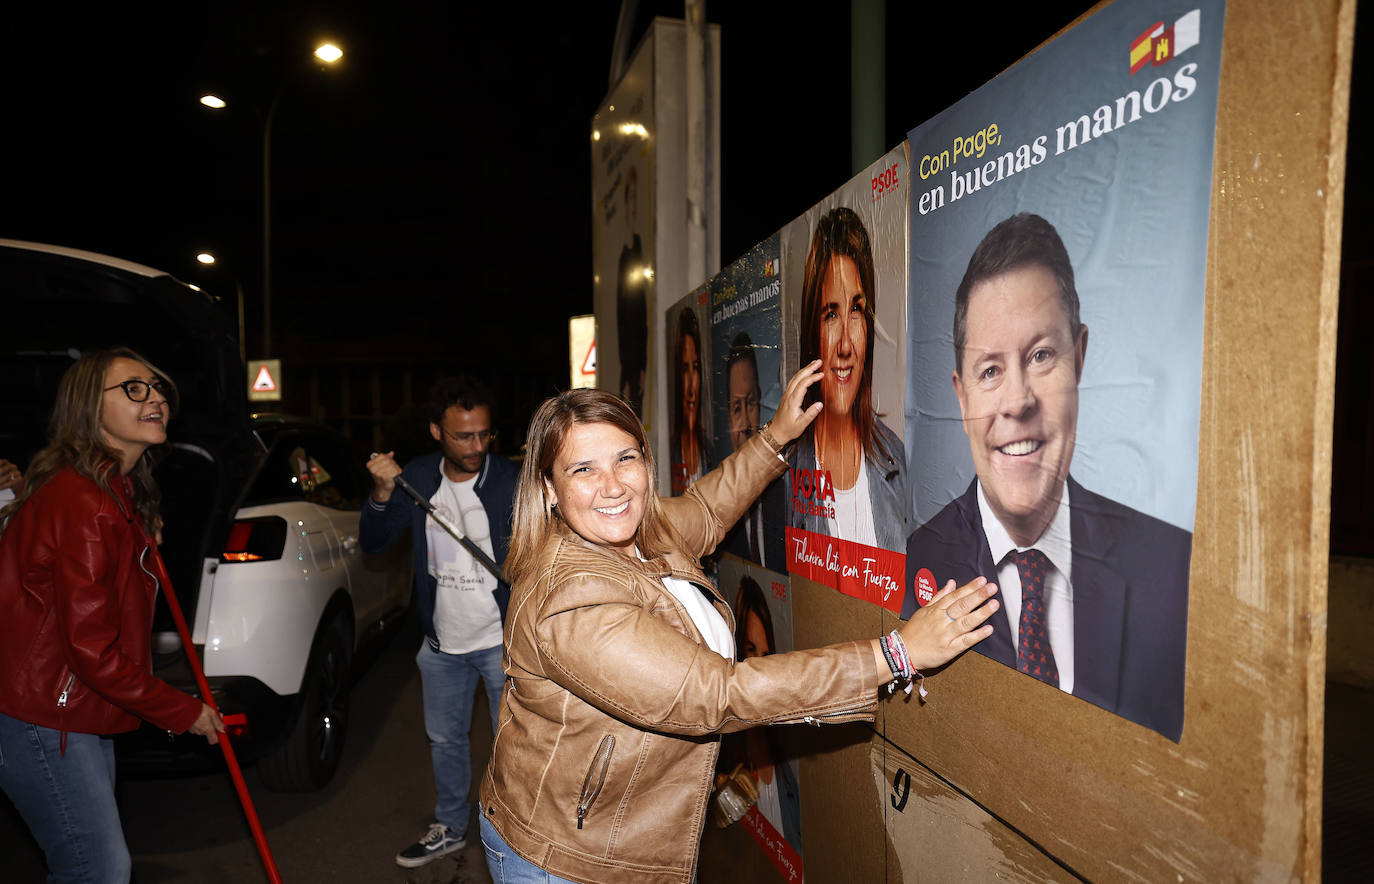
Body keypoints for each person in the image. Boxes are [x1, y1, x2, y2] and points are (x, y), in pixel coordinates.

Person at [478, 363, 999, 884]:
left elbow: (704, 511)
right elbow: (718, 694)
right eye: (583, 470)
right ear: (548, 488)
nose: (612, 486)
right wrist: (894, 655)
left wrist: (776, 437)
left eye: (625, 458)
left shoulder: (635, 531)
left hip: (621, 833)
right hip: (569, 857)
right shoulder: (571, 601)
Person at [903, 212, 1191, 741]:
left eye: (1041, 356)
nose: (1017, 401)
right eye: (989, 370)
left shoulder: (1173, 569)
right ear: (960, 395)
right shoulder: (917, 558)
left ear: (1079, 360)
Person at [0, 347, 224, 882]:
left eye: (157, 387)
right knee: (98, 870)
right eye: (133, 389)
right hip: (45, 714)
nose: (155, 399)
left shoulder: (109, 491)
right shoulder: (89, 502)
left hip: (70, 706)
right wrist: (179, 709)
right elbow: (90, 650)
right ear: (87, 408)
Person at [361, 376, 519, 868]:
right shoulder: (419, 476)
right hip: (441, 642)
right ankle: (451, 826)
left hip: (500, 641)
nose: (477, 447)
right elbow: (375, 541)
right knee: (445, 741)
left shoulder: (510, 480)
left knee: (513, 745)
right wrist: (383, 492)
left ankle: (515, 835)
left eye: (484, 434)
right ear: (436, 432)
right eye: (463, 437)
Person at [790, 206, 907, 551]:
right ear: (813, 329)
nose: (844, 344)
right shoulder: (784, 472)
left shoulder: (899, 461)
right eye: (830, 314)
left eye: (856, 310)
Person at [727, 575, 801, 849]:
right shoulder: (724, 759)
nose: (760, 670)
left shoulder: (789, 778)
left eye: (766, 655)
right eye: (750, 651)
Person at [720, 332, 785, 569]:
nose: (747, 422)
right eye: (737, 408)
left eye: (750, 403)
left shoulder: (783, 492)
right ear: (728, 418)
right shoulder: (718, 498)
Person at [616, 164, 647, 416]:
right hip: (628, 364)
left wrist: (641, 366)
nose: (634, 206)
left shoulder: (639, 251)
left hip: (636, 363)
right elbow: (621, 323)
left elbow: (641, 319)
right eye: (631, 198)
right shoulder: (623, 258)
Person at [670, 306, 708, 493]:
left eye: (696, 367)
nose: (691, 388)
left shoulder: (709, 450)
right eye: (685, 369)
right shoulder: (674, 448)